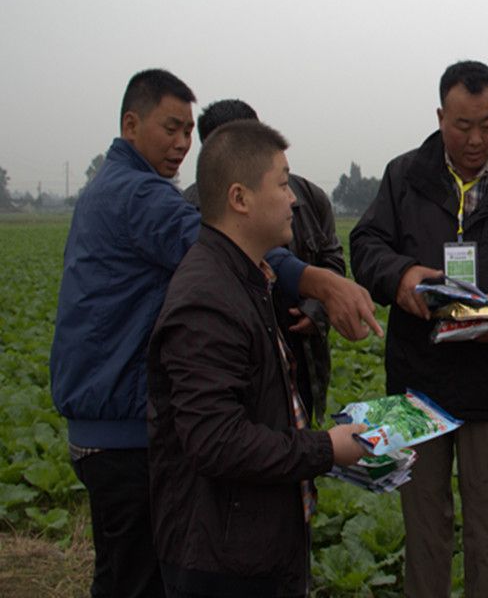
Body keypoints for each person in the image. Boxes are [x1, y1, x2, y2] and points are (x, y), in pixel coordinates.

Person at [50, 69, 380, 598]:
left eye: (188, 131)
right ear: (130, 125)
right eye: (171, 128)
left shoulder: (126, 191)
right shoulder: (139, 199)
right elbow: (213, 232)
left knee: (126, 573)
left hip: (117, 423)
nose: (182, 143)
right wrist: (315, 279)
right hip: (123, 431)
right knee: (134, 580)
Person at [350, 60, 488, 597]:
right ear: (440, 117)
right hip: (413, 383)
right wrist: (400, 276)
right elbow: (366, 245)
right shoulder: (404, 177)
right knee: (424, 525)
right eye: (463, 125)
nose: (476, 139)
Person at [147, 119, 367, 597]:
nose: (294, 200)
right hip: (223, 562)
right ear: (240, 198)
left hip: (252, 540)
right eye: (283, 184)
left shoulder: (249, 277)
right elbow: (216, 441)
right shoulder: (208, 298)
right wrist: (326, 449)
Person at [183, 99, 346, 422]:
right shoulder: (187, 210)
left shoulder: (309, 197)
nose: (289, 198)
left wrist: (317, 306)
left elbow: (332, 259)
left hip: (299, 351)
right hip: (241, 366)